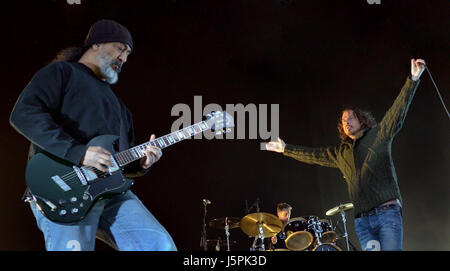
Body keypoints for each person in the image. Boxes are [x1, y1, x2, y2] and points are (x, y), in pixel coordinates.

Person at [9, 19, 177, 251]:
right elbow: (24, 114)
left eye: (128, 54)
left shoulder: (120, 108)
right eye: (121, 48)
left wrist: (141, 162)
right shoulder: (62, 73)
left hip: (110, 193)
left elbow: (118, 161)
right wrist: (79, 153)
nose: (124, 58)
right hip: (62, 190)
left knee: (159, 244)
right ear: (96, 44)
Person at [264, 58, 426, 251]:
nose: (347, 122)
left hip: (387, 213)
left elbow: (396, 113)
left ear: (361, 120)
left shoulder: (378, 135)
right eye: (343, 120)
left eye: (351, 117)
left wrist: (413, 80)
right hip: (362, 222)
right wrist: (286, 149)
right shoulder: (340, 153)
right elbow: (315, 155)